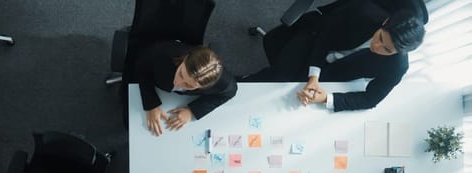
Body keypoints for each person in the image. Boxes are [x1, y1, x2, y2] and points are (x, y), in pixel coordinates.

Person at [243, 0, 425, 112]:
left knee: (295, 99)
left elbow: (371, 99)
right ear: (384, 23)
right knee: (280, 78)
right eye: (379, 38)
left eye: (387, 50)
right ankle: (241, 82)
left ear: (399, 52)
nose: (377, 47)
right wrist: (313, 76)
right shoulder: (364, 13)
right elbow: (324, 36)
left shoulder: (397, 66)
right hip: (315, 38)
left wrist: (326, 99)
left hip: (336, 69)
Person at [135, 41, 237, 136]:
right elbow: (141, 67)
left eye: (189, 85)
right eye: (181, 74)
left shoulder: (223, 82)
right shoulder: (162, 54)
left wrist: (191, 110)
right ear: (185, 59)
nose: (177, 83)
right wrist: (151, 104)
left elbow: (230, 91)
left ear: (205, 87)